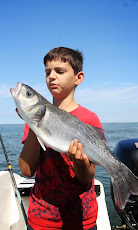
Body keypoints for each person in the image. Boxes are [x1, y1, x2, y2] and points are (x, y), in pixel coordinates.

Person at [19, 47, 106, 230]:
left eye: (59, 71)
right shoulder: (34, 119)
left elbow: (86, 178)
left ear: (78, 78)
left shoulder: (90, 119)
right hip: (41, 219)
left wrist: (80, 162)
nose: (51, 76)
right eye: (47, 72)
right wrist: (35, 125)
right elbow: (26, 171)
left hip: (82, 220)